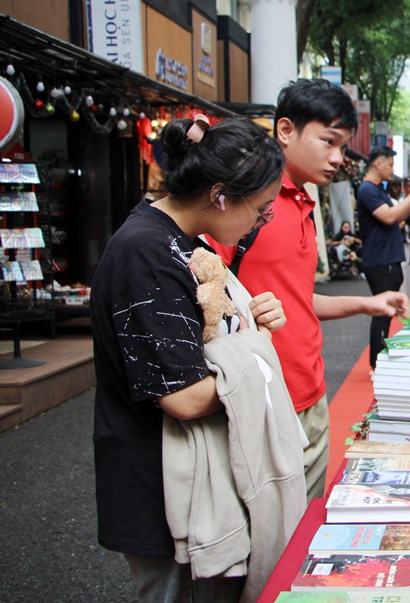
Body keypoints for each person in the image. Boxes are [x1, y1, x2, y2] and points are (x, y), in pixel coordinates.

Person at [91, 116, 301, 601]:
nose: (260, 222)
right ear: (221, 194)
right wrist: (259, 353)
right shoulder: (147, 251)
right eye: (262, 210)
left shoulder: (178, 239)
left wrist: (251, 320)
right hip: (163, 483)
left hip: (185, 474)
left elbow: (206, 337)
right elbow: (184, 397)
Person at [208, 79, 410, 500]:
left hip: (312, 392)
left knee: (303, 533)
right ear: (286, 131)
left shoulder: (302, 203)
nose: (338, 158)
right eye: (328, 142)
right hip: (263, 402)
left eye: (342, 146)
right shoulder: (244, 203)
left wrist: (367, 303)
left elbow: (296, 299)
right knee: (270, 543)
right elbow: (207, 295)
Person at [357, 144, 410, 369]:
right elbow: (388, 217)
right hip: (380, 260)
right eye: (390, 164)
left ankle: (379, 359)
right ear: (378, 163)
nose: (392, 169)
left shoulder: (378, 189)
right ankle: (376, 364)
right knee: (381, 311)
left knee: (386, 313)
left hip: (387, 258)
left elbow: (396, 218)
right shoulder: (367, 189)